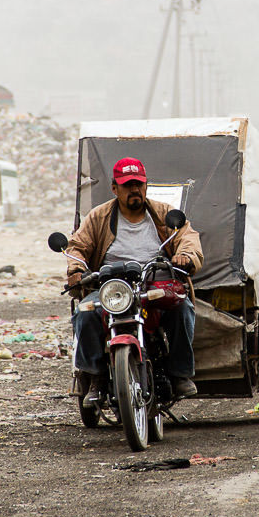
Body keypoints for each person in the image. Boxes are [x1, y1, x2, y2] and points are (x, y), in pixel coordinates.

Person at [64, 157, 204, 408]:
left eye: (138, 184)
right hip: (111, 288)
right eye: (127, 185)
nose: (134, 190)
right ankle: (94, 379)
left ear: (146, 185)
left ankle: (179, 373)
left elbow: (187, 237)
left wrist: (186, 256)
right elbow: (78, 246)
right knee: (85, 313)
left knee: (183, 309)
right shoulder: (98, 216)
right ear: (115, 188)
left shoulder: (163, 214)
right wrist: (76, 269)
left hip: (154, 283)